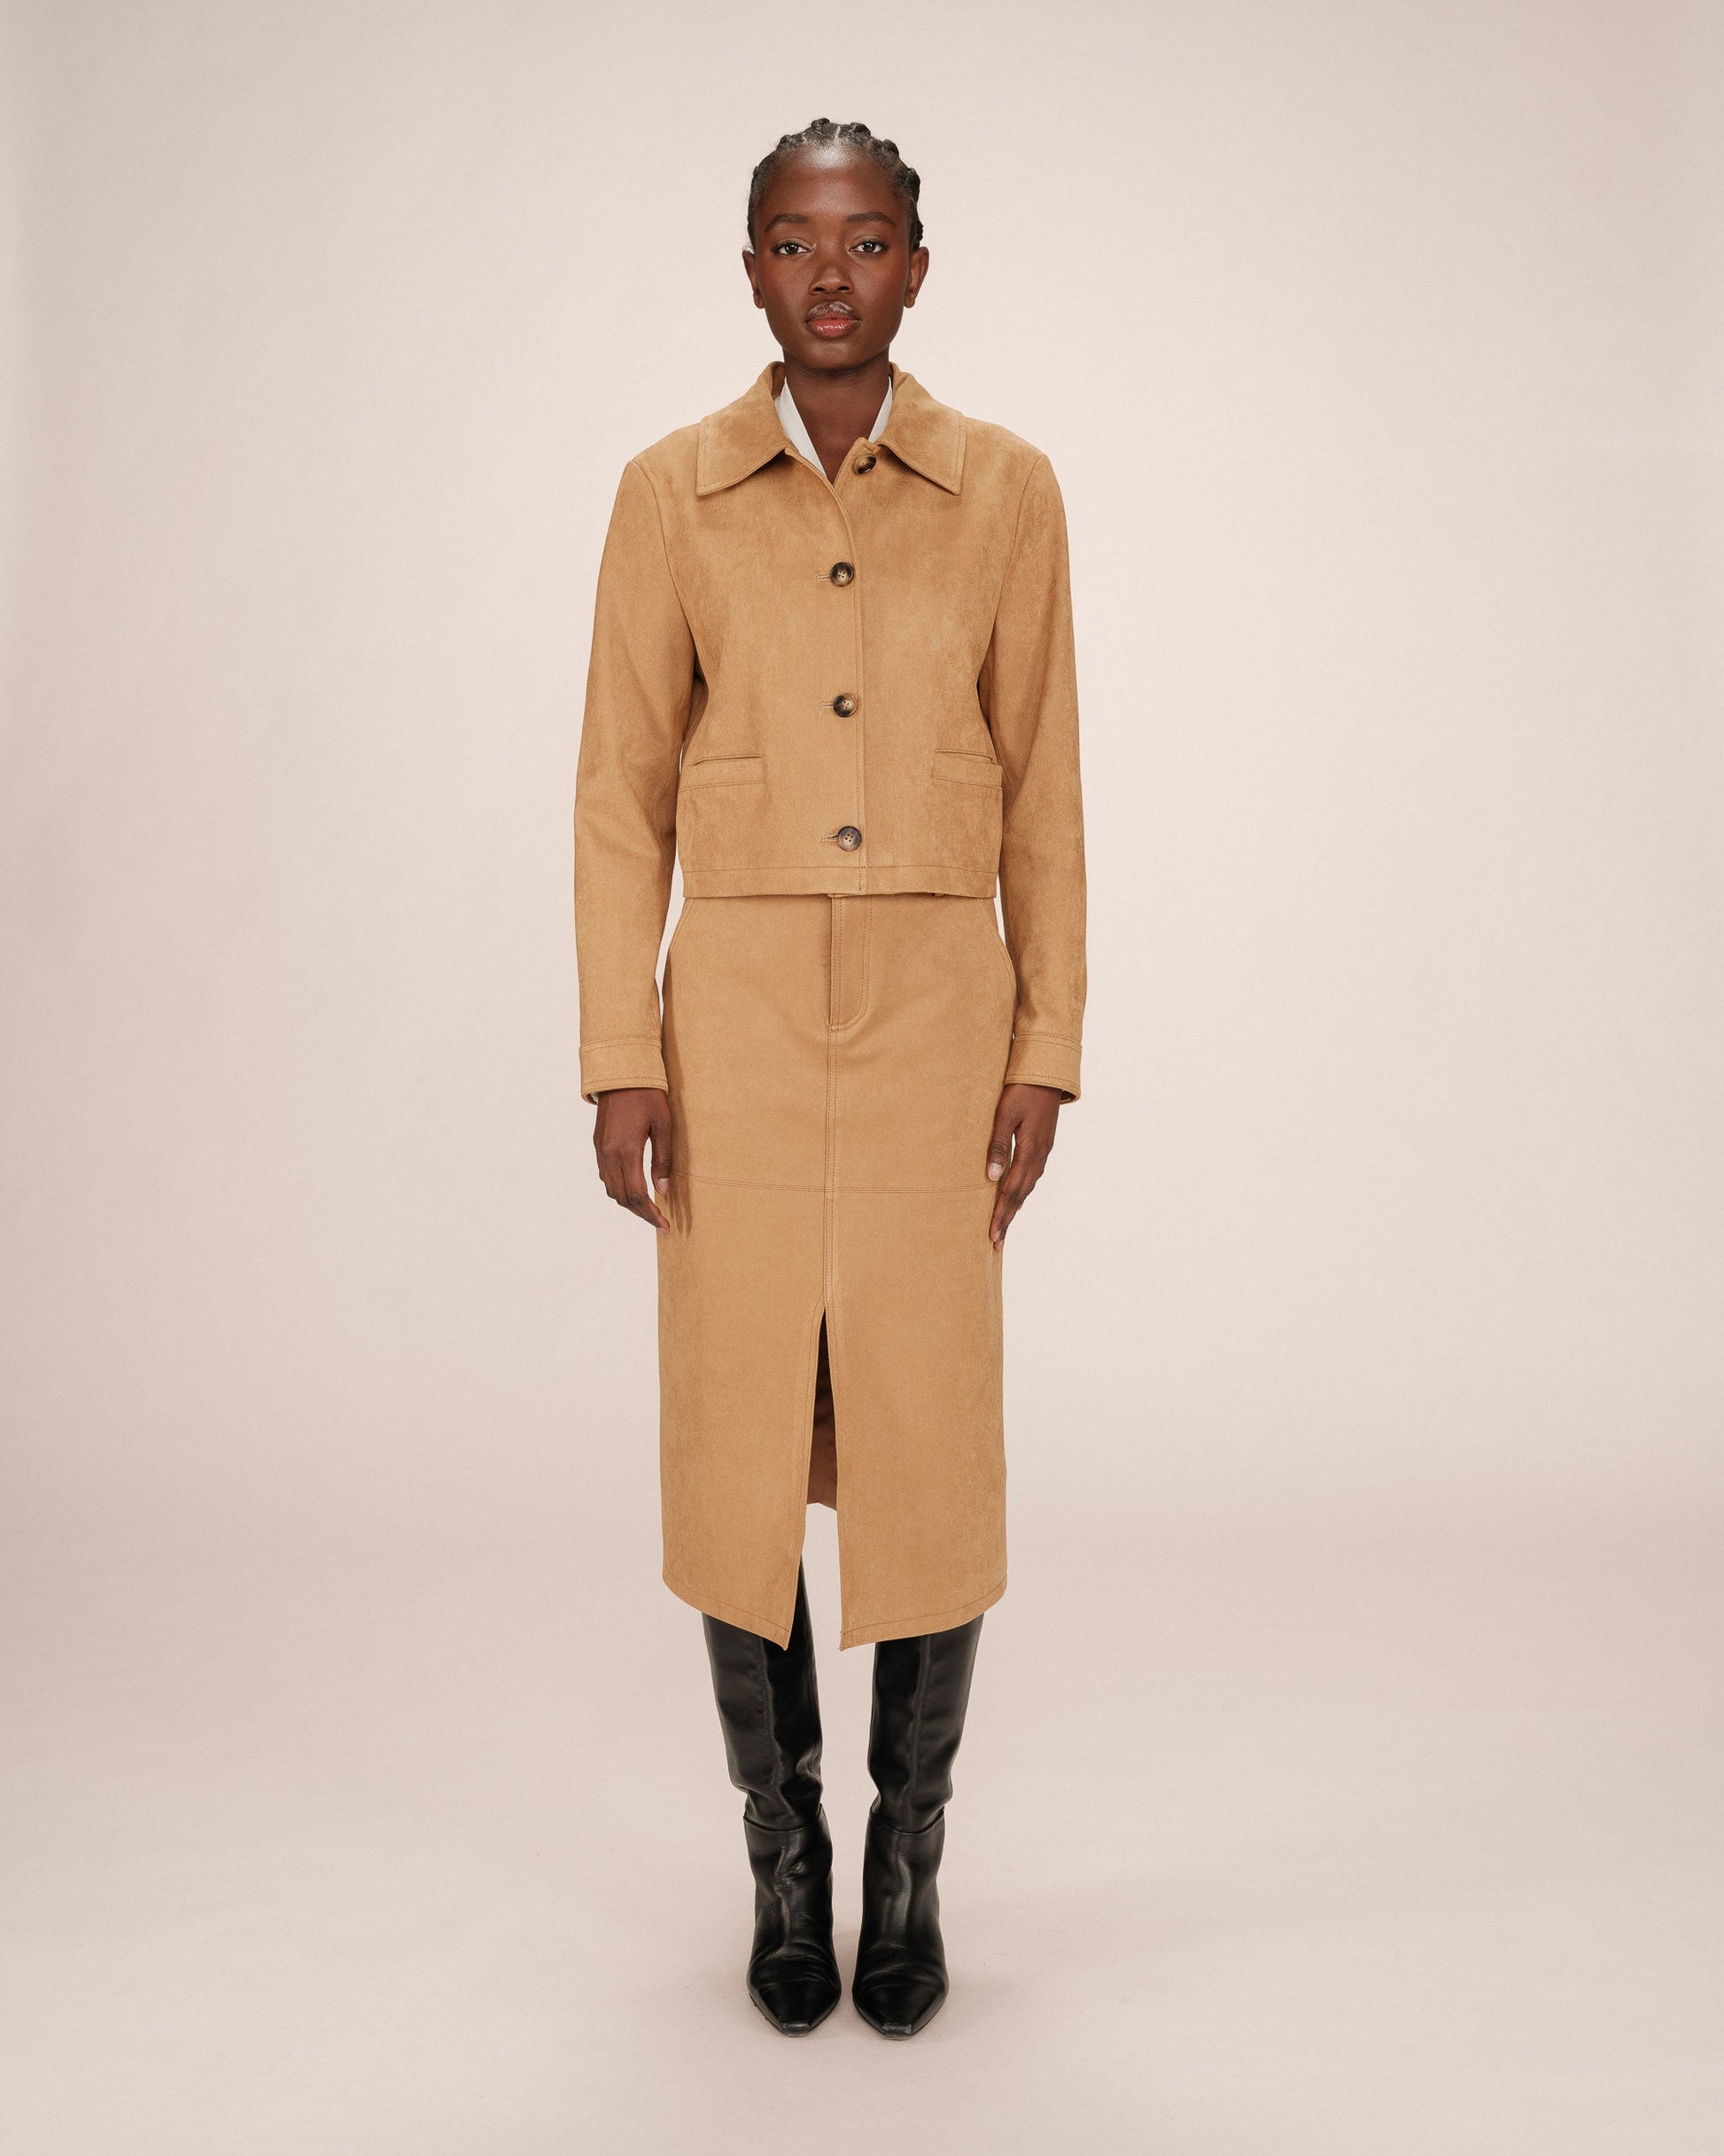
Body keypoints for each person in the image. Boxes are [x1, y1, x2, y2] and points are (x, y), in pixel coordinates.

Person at [573, 118, 1086, 2038]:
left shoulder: (1007, 490)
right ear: (750, 271)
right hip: (733, 1040)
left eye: (865, 241)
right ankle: (782, 1861)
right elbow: (617, 791)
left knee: (926, 1451)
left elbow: (1045, 791)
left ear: (916, 269)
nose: (830, 275)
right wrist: (620, 1053)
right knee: (737, 1450)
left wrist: (1046, 1043)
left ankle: (906, 1861)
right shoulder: (669, 495)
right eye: (795, 241)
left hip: (939, 1033)